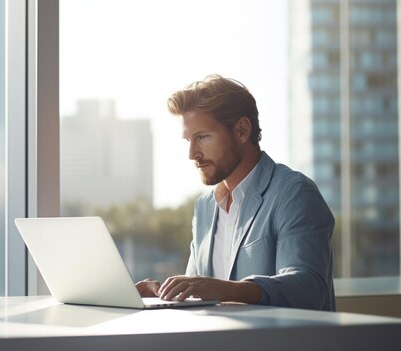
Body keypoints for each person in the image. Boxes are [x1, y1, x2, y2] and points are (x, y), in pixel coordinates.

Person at [136, 74, 336, 311]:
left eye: (202, 137)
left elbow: (309, 288)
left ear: (241, 130)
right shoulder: (205, 207)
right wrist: (166, 293)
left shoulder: (294, 194)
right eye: (188, 140)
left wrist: (228, 289)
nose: (192, 153)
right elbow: (201, 289)